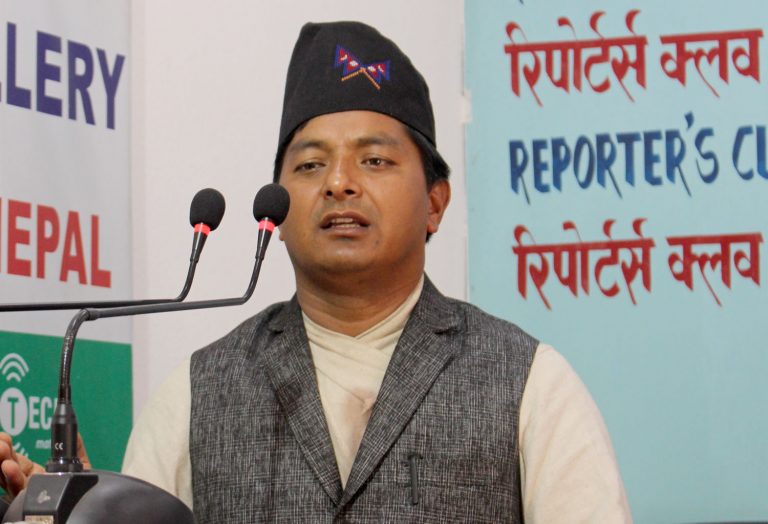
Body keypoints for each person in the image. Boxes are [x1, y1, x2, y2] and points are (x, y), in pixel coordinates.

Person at [2, 21, 631, 522]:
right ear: (277, 211)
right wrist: (79, 511)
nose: (338, 183)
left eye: (375, 160)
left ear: (435, 202)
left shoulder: (530, 384)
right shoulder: (195, 393)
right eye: (309, 166)